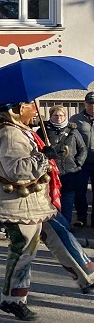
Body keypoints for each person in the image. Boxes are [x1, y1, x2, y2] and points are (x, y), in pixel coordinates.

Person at [0, 101, 94, 321]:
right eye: (29, 106)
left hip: (35, 201)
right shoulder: (9, 134)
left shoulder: (16, 129)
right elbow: (17, 170)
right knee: (23, 250)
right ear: (15, 110)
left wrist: (45, 153)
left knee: (60, 234)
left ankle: (88, 276)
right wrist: (44, 157)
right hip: (18, 204)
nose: (35, 110)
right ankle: (12, 299)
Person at [43, 105, 87, 228]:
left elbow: (82, 148)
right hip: (51, 172)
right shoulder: (43, 130)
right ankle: (54, 228)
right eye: (55, 115)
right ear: (50, 116)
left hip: (69, 172)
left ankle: (66, 227)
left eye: (61, 115)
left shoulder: (73, 130)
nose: (58, 118)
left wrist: (77, 163)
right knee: (51, 201)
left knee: (68, 201)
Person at [68, 92, 94, 228]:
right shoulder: (76, 118)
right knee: (80, 191)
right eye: (90, 103)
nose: (93, 106)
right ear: (85, 103)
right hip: (81, 161)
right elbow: (70, 138)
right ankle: (81, 217)